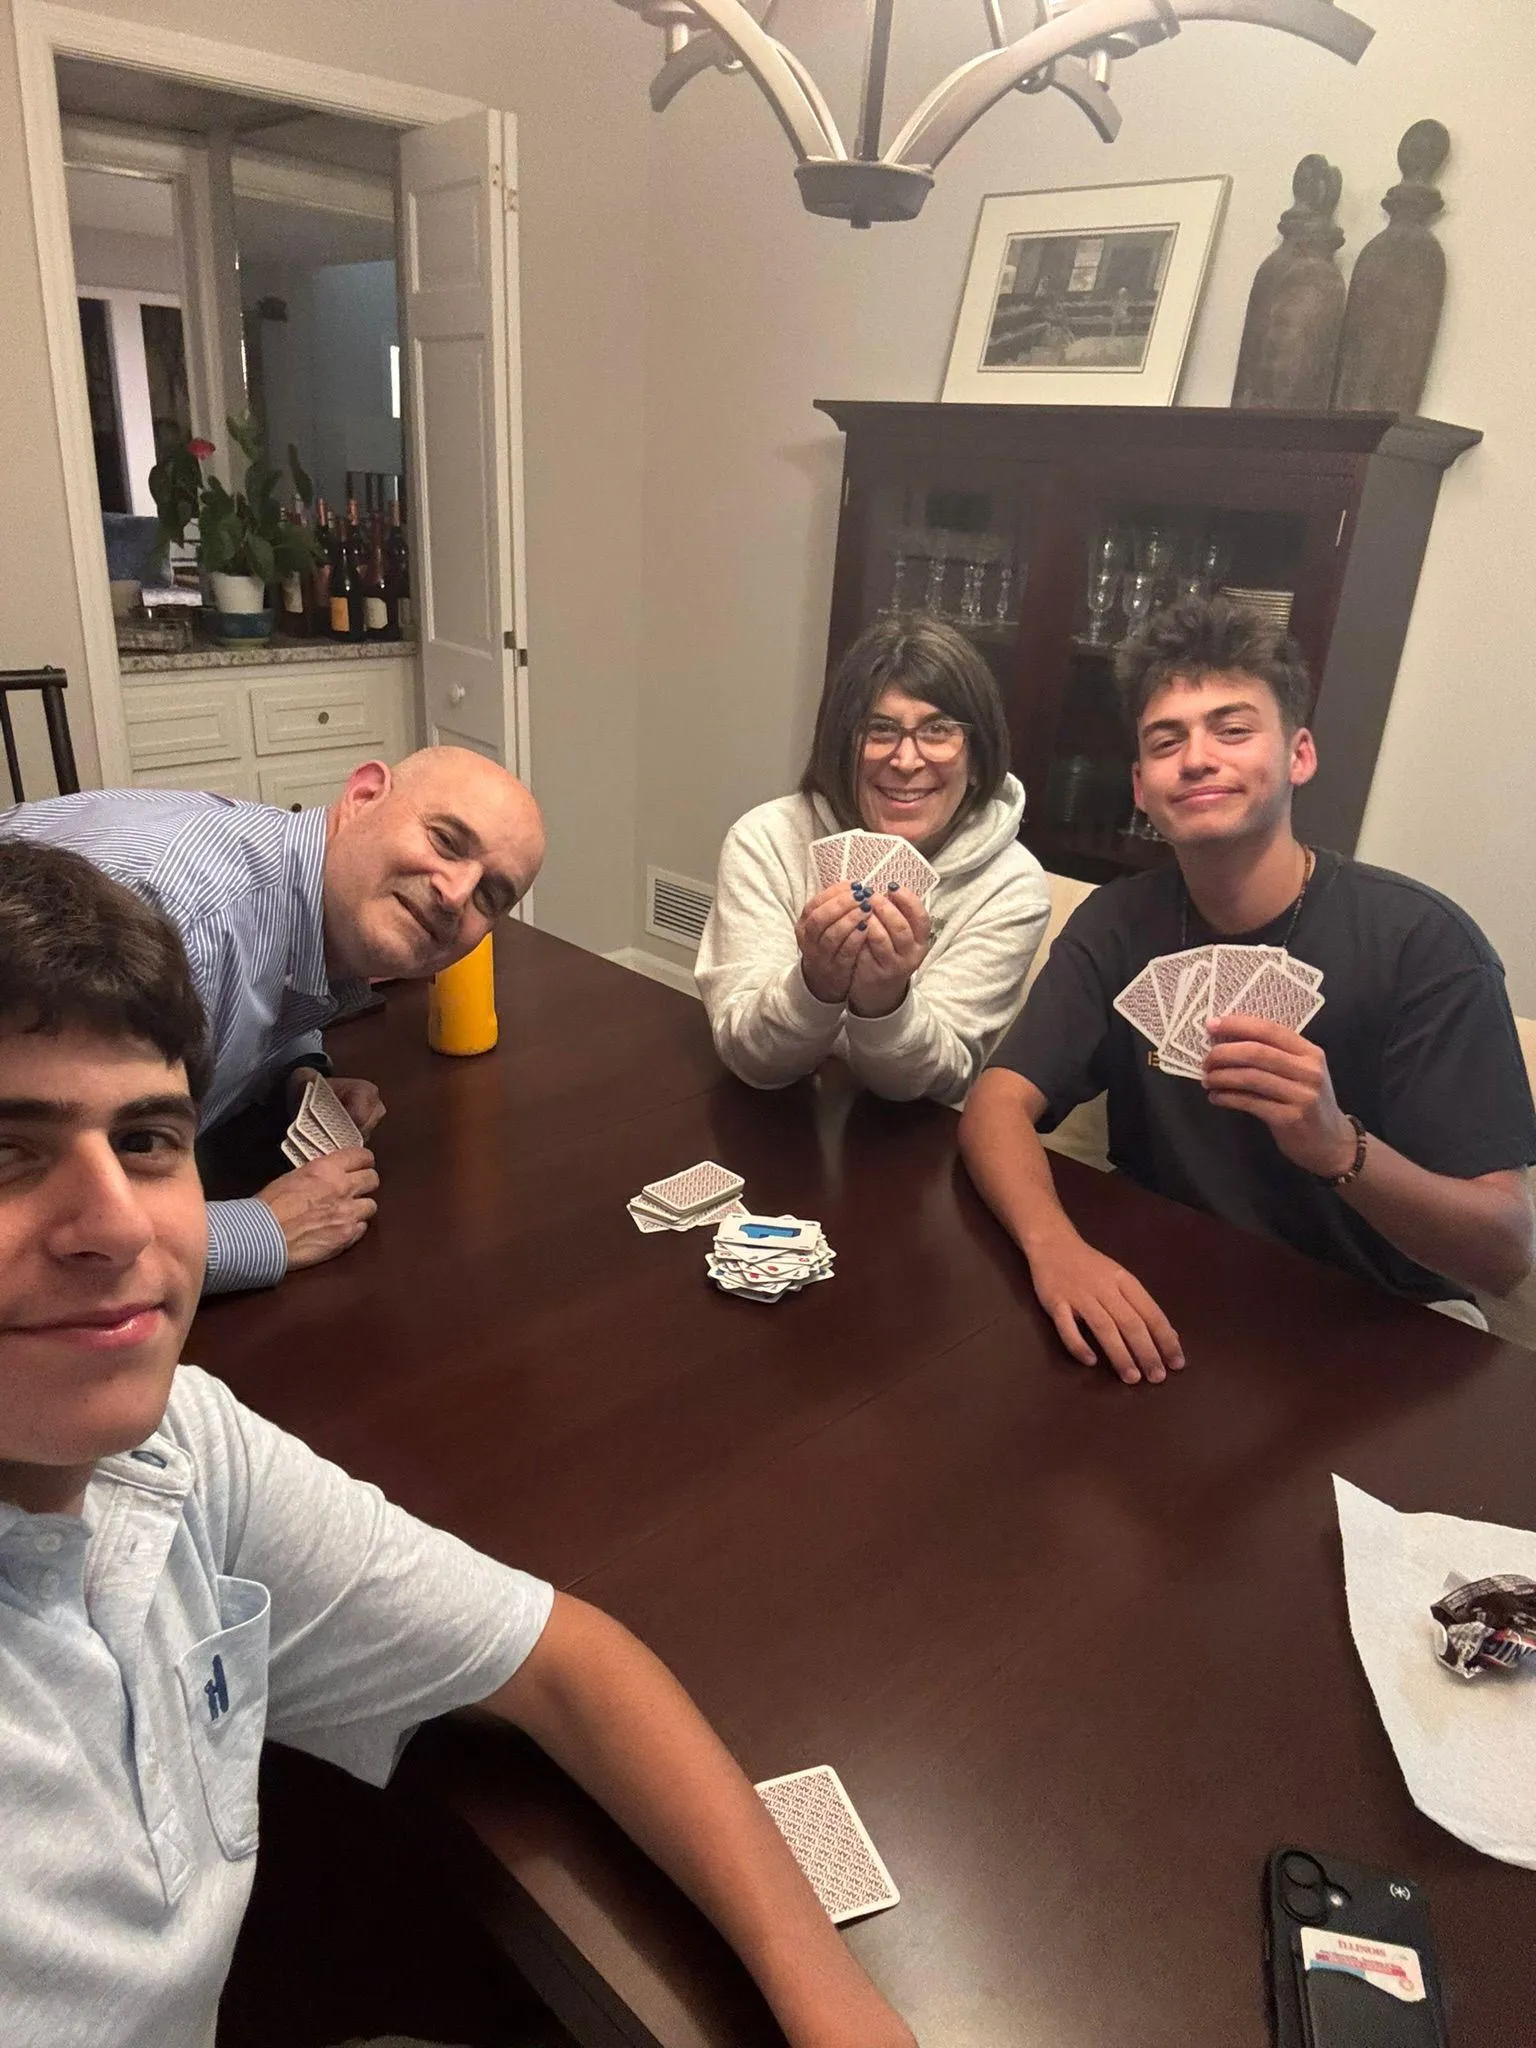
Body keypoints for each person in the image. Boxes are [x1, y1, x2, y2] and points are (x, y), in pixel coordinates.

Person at [0, 838, 916, 2048]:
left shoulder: (180, 1441)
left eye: (148, 1139)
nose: (116, 1225)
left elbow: (568, 1662)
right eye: (9, 1151)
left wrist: (841, 2008)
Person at [960, 596, 1536, 1385]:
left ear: (1300, 755)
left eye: (1232, 730)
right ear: (1140, 786)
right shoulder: (1120, 922)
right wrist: (1055, 1249)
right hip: (1171, 1294)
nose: (1197, 759)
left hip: (1377, 1327)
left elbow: (1504, 1252)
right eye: (1168, 741)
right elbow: (996, 1103)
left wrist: (1339, 1149)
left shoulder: (1425, 945)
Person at [0, 747, 544, 1294]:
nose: (455, 894)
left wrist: (294, 1068)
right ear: (363, 796)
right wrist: (266, 1231)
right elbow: (44, 1226)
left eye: (489, 895)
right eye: (445, 841)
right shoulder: (178, 923)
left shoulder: (297, 893)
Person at [696, 613, 1050, 1107]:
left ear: (977, 759)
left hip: (915, 1140)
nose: (906, 761)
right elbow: (752, 1061)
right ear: (842, 747)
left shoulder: (1012, 885)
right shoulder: (767, 840)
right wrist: (814, 985)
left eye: (938, 730)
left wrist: (885, 1003)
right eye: (880, 730)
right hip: (770, 1121)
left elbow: (940, 1085)